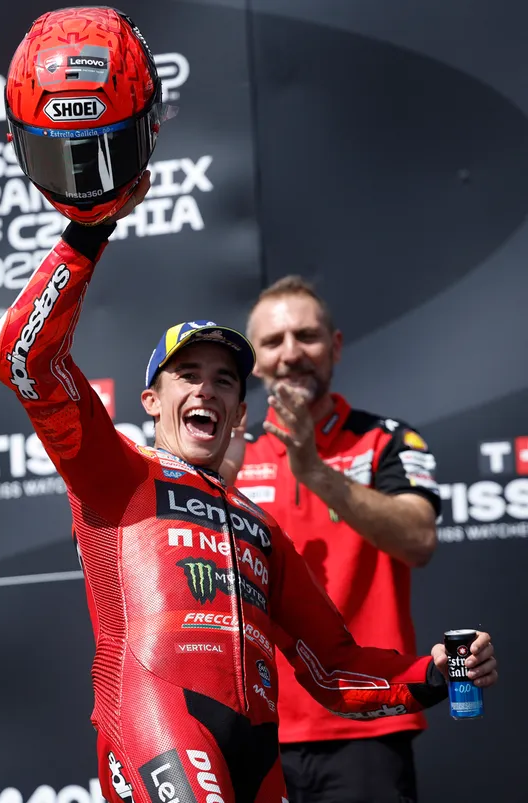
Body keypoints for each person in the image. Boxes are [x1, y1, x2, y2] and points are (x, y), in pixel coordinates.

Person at [0, 8, 498, 803]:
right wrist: (87, 233)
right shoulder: (113, 474)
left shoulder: (263, 532)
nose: (207, 389)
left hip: (260, 751)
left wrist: (432, 673)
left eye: (225, 380)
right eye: (187, 375)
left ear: (238, 410)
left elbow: (337, 673)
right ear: (151, 400)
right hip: (158, 720)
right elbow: (22, 358)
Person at [222, 276, 448, 802]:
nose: (291, 354)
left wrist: (316, 473)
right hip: (254, 727)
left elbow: (419, 540)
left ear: (336, 346)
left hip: (369, 721)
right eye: (273, 342)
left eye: (307, 336)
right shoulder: (229, 453)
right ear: (255, 362)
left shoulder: (384, 439)